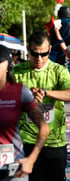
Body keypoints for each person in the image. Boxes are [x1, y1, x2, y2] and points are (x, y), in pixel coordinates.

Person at [13, 30, 70, 181]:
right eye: (35, 54)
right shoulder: (17, 72)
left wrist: (47, 92)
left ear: (49, 50)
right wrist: (26, 96)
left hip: (55, 142)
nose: (39, 59)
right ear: (28, 50)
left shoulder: (58, 71)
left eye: (43, 54)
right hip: (27, 141)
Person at [0, 45, 49, 181]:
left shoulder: (19, 91)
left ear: (8, 65)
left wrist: (31, 159)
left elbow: (44, 128)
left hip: (14, 168)